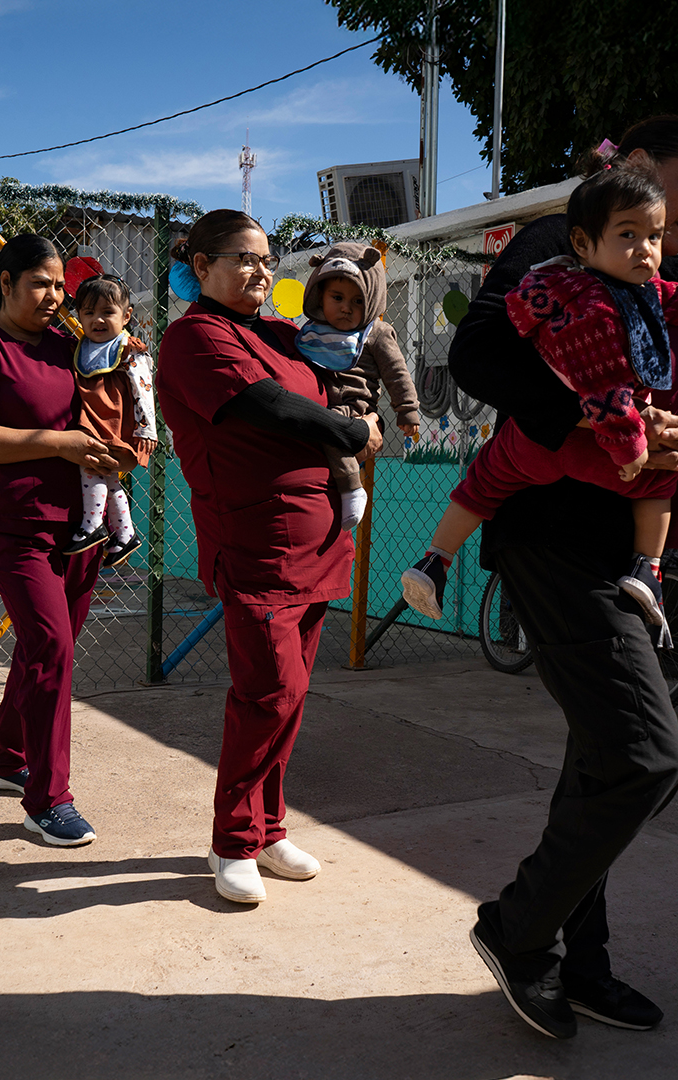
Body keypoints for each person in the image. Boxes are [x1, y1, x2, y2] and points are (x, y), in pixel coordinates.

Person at [448, 116, 678, 1039]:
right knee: (643, 758)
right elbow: (479, 352)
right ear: (637, 173)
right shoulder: (568, 244)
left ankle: (577, 965)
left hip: (631, 554)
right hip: (556, 538)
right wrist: (598, 419)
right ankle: (517, 926)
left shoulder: (672, 281)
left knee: (603, 764)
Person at [402, 159, 678, 630]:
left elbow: (675, 297)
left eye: (653, 237)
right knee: (659, 483)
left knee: (482, 482)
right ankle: (649, 568)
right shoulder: (595, 310)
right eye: (628, 235)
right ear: (582, 242)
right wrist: (631, 448)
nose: (645, 250)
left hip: (528, 441)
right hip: (591, 446)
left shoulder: (603, 283)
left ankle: (434, 561)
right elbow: (604, 390)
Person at [156, 209, 382, 904]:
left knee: (291, 696)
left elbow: (356, 348)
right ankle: (232, 842)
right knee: (267, 694)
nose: (261, 272)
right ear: (201, 266)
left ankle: (270, 828)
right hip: (255, 546)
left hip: (317, 542)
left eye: (267, 261)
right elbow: (273, 409)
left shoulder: (285, 334)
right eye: (244, 259)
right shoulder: (195, 339)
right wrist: (354, 430)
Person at [0, 234, 119, 847]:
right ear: (6, 280)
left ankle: (4, 756)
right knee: (51, 644)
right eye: (40, 282)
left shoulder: (73, 350)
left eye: (58, 284)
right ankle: (48, 799)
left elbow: (108, 406)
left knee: (45, 649)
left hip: (82, 527)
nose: (54, 295)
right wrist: (57, 443)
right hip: (15, 527)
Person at [294, 241, 420, 528]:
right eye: (337, 298)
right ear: (319, 295)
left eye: (358, 301)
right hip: (319, 406)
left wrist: (407, 410)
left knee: (332, 427)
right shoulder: (312, 332)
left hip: (354, 406)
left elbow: (396, 372)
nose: (346, 308)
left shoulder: (375, 333)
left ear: (372, 299)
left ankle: (352, 488)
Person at [63, 273, 158, 568]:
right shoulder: (81, 346)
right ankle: (125, 532)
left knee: (91, 466)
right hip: (94, 416)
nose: (98, 320)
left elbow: (143, 390)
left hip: (112, 420)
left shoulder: (128, 348)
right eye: (89, 313)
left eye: (108, 312)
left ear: (127, 315)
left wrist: (146, 429)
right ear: (79, 315)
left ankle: (92, 526)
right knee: (107, 475)